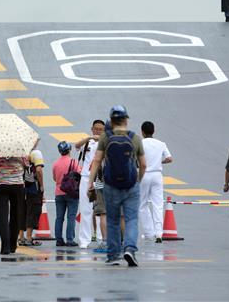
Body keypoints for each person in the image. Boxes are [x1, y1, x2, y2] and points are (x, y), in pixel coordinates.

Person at [88, 105, 146, 267]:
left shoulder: (105, 138)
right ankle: (129, 249)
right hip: (130, 184)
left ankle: (113, 255)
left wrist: (89, 183)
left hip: (111, 184)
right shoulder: (134, 138)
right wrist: (138, 181)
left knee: (112, 220)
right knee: (131, 219)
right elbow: (143, 165)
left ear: (111, 121)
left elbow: (97, 161)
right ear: (126, 119)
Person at [139, 121, 173, 243]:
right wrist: (159, 162)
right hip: (157, 175)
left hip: (144, 174)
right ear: (153, 131)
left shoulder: (140, 143)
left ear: (142, 131)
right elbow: (169, 159)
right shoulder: (161, 143)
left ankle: (149, 233)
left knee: (142, 204)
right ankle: (159, 233)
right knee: (158, 204)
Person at [74, 120, 105, 248]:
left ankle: (100, 238)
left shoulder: (106, 144)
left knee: (100, 210)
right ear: (92, 129)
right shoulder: (88, 142)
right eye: (95, 129)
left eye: (100, 129)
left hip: (100, 179)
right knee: (85, 209)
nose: (97, 131)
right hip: (86, 178)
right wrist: (89, 137)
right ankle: (84, 240)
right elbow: (76, 146)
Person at [0, 152, 25, 255]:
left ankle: (5, 248)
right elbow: (25, 164)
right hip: (17, 184)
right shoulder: (19, 150)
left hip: (0, 184)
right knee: (15, 215)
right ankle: (13, 245)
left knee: (3, 216)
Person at [52, 141, 81, 246]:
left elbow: (55, 178)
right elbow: (79, 175)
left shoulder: (55, 164)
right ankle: (70, 240)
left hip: (59, 192)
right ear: (69, 150)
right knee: (71, 217)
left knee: (59, 217)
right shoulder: (73, 162)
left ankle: (59, 239)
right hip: (72, 193)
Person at [19, 143, 45, 246]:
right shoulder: (36, 153)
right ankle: (29, 237)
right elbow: (38, 170)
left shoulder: (19, 154)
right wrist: (42, 185)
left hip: (20, 186)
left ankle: (21, 237)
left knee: (21, 210)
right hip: (33, 188)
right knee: (33, 210)